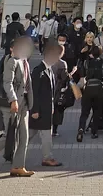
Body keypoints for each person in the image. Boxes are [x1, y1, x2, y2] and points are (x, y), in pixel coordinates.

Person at [3, 36, 35, 176]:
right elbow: (7, 82)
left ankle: (18, 166)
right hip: (15, 103)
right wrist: (13, 99)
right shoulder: (12, 61)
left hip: (25, 103)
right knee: (9, 136)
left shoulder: (24, 62)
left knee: (24, 136)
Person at [28, 41, 63, 169]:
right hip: (40, 110)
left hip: (46, 109)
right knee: (44, 134)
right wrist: (35, 109)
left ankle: (15, 152)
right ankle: (47, 158)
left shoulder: (49, 70)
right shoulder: (39, 71)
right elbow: (34, 91)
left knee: (31, 134)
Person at [77, 44, 103, 141]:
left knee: (84, 112)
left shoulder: (86, 63)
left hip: (88, 88)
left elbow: (82, 72)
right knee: (97, 111)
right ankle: (94, 132)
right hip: (98, 89)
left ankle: (81, 129)